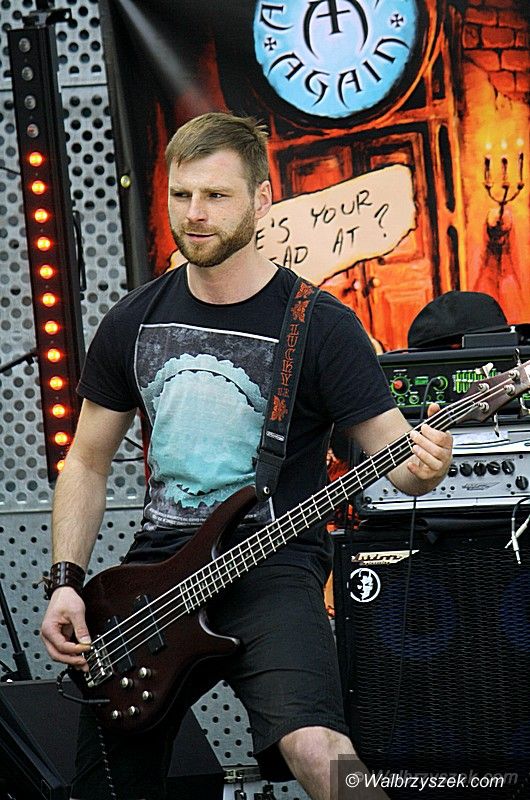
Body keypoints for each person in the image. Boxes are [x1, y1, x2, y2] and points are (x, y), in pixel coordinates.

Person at [40, 112, 453, 800]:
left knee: (317, 746)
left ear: (262, 199)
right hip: (154, 578)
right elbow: (85, 461)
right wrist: (64, 580)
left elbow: (400, 461)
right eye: (181, 195)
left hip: (273, 564)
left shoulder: (320, 325)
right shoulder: (132, 320)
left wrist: (426, 466)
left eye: (216, 195)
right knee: (105, 785)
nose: (194, 214)